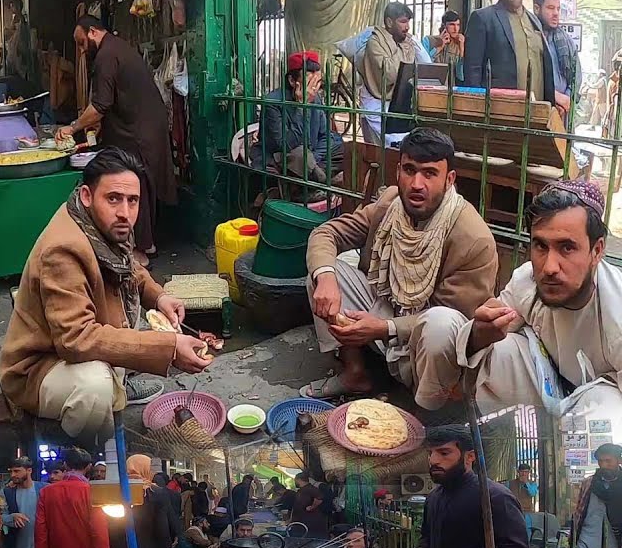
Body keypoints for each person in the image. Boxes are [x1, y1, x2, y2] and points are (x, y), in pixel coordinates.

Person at [0, 148, 213, 443]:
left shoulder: (102, 225)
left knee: (125, 313)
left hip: (68, 349)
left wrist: (159, 297)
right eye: (113, 198)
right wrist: (171, 347)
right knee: (94, 384)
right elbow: (77, 339)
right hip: (38, 368)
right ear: (87, 196)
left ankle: (119, 386)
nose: (125, 212)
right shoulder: (63, 250)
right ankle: (79, 449)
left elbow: (128, 268)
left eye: (132, 201)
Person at [302, 127, 498, 401]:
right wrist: (326, 279)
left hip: (425, 335)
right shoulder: (390, 204)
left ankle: (430, 411)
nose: (417, 184)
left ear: (449, 179)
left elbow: (461, 320)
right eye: (409, 170)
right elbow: (325, 234)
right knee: (322, 272)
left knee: (441, 325)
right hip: (385, 305)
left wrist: (384, 328)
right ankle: (355, 373)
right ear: (398, 172)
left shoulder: (473, 238)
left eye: (430, 173)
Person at [416, 178, 622, 415]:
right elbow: (487, 344)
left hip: (595, 417)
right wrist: (479, 334)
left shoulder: (616, 310)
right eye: (541, 246)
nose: (550, 267)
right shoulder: (527, 281)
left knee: (607, 405)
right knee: (450, 328)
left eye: (566, 247)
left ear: (596, 251)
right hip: (544, 390)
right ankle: (436, 429)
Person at [56, 16, 178, 266]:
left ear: (92, 32)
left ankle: (141, 251)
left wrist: (72, 127)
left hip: (138, 131)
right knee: (140, 181)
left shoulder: (106, 55)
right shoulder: (117, 48)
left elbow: (100, 105)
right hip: (142, 126)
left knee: (134, 182)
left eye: (81, 43)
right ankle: (146, 243)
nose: (81, 50)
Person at [402, 425, 530, 548]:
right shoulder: (433, 497)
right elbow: (427, 538)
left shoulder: (494, 497)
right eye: (430, 453)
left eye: (444, 453)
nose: (433, 460)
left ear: (470, 456)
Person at [462, 0, 556, 105]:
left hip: (537, 112)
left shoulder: (534, 21)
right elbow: (472, 72)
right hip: (500, 112)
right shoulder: (483, 18)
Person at [254, 50, 345, 184]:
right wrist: (303, 107)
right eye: (309, 82)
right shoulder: (273, 103)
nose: (314, 88)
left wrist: (313, 159)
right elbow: (285, 145)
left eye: (317, 82)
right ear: (292, 80)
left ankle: (312, 178)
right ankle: (317, 182)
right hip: (282, 157)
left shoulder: (316, 98)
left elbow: (325, 135)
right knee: (299, 156)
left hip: (310, 157)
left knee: (341, 145)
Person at [360, 2, 419, 144]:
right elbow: (392, 75)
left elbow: (408, 72)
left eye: (408, 22)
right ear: (389, 22)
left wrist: (403, 45)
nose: (407, 27)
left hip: (398, 103)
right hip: (376, 103)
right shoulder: (375, 43)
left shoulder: (406, 42)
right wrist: (399, 46)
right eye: (403, 22)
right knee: (381, 152)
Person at [533, 0, 578, 114]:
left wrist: (567, 99)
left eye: (558, 9)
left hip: (563, 111)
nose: (556, 13)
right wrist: (553, 96)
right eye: (550, 8)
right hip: (538, 108)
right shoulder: (530, 37)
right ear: (537, 8)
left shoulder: (566, 40)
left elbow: (576, 77)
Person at [574, 443, 622, 548]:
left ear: (619, 460)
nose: (604, 465)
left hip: (615, 539)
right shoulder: (589, 483)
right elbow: (579, 512)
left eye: (608, 461)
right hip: (587, 537)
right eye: (601, 461)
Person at [424, 10, 465, 82]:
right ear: (444, 26)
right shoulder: (429, 40)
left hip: (450, 89)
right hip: (430, 86)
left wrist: (461, 50)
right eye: (452, 25)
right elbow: (424, 65)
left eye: (458, 25)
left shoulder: (458, 44)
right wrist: (438, 48)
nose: (456, 29)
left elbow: (460, 76)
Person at [4, 0, 35, 82]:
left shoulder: (20, 18)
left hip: (18, 48)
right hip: (14, 48)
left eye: (12, 6)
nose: (11, 9)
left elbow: (18, 33)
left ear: (17, 7)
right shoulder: (15, 18)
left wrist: (9, 31)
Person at [290, 472, 329, 537]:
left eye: (295, 480)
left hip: (310, 521)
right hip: (301, 520)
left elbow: (319, 498)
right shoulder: (302, 490)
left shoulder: (311, 488)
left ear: (299, 479)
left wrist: (312, 507)